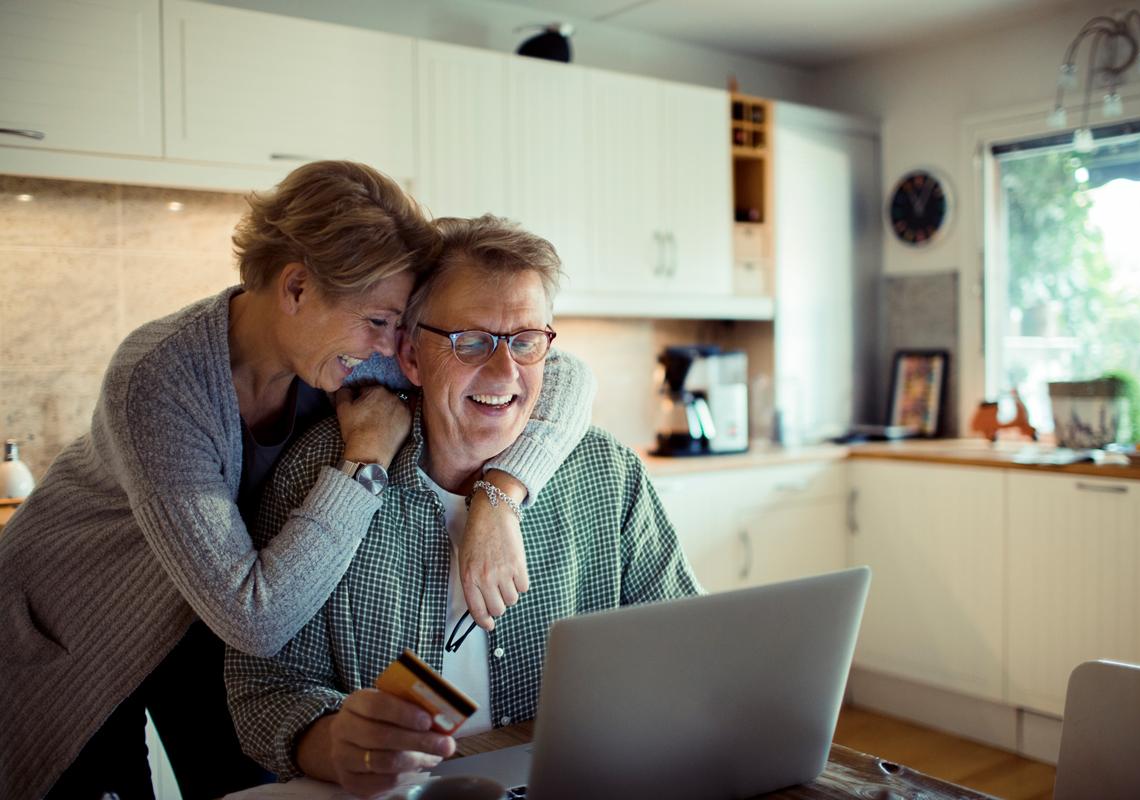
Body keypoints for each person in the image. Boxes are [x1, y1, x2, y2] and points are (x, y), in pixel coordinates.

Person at [0, 162, 595, 800]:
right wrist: (364, 458)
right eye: (378, 322)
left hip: (206, 619)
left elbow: (562, 374)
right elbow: (255, 618)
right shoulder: (157, 379)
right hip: (69, 626)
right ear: (296, 288)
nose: (391, 346)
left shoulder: (346, 343)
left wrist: (499, 497)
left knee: (249, 784)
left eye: (398, 324)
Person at [226, 214, 699, 798]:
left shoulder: (609, 474)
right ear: (410, 356)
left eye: (526, 341)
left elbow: (687, 647)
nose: (505, 371)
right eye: (470, 341)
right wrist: (330, 742)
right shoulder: (323, 472)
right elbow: (264, 688)